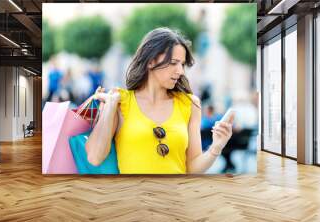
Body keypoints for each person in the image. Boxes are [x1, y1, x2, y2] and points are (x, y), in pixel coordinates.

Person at [85, 27, 234, 174]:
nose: (180, 71)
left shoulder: (190, 104)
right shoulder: (119, 102)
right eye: (174, 62)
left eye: (182, 64)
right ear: (151, 61)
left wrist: (216, 148)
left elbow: (192, 168)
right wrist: (110, 106)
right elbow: (94, 158)